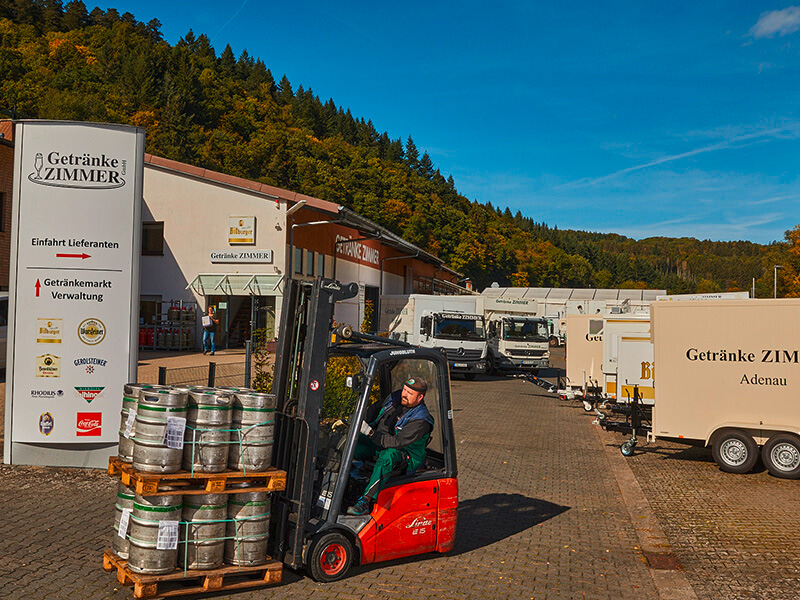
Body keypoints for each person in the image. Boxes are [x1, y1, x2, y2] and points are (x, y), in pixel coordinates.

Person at [347, 376, 434, 516]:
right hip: (381, 442)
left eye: (410, 393)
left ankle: (366, 501)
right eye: (404, 390)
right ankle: (337, 481)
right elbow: (373, 410)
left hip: (406, 455)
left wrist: (369, 432)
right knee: (352, 443)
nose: (404, 394)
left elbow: (397, 442)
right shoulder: (394, 399)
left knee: (388, 456)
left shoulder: (420, 420)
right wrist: (356, 421)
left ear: (420, 398)